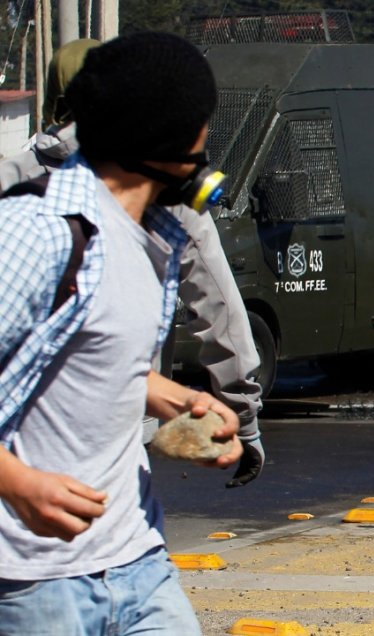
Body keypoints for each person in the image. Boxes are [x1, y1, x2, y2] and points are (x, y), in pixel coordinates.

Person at [0, 32, 241, 634]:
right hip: (34, 582)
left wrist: (177, 400)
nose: (207, 138)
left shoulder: (152, 234)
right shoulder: (42, 232)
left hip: (138, 559)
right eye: (201, 122)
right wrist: (18, 483)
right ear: (170, 137)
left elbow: (95, 359)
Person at [0, 38, 267, 489]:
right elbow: (219, 308)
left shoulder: (14, 175)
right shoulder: (33, 221)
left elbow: (108, 365)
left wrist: (192, 405)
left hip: (117, 510)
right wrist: (244, 414)